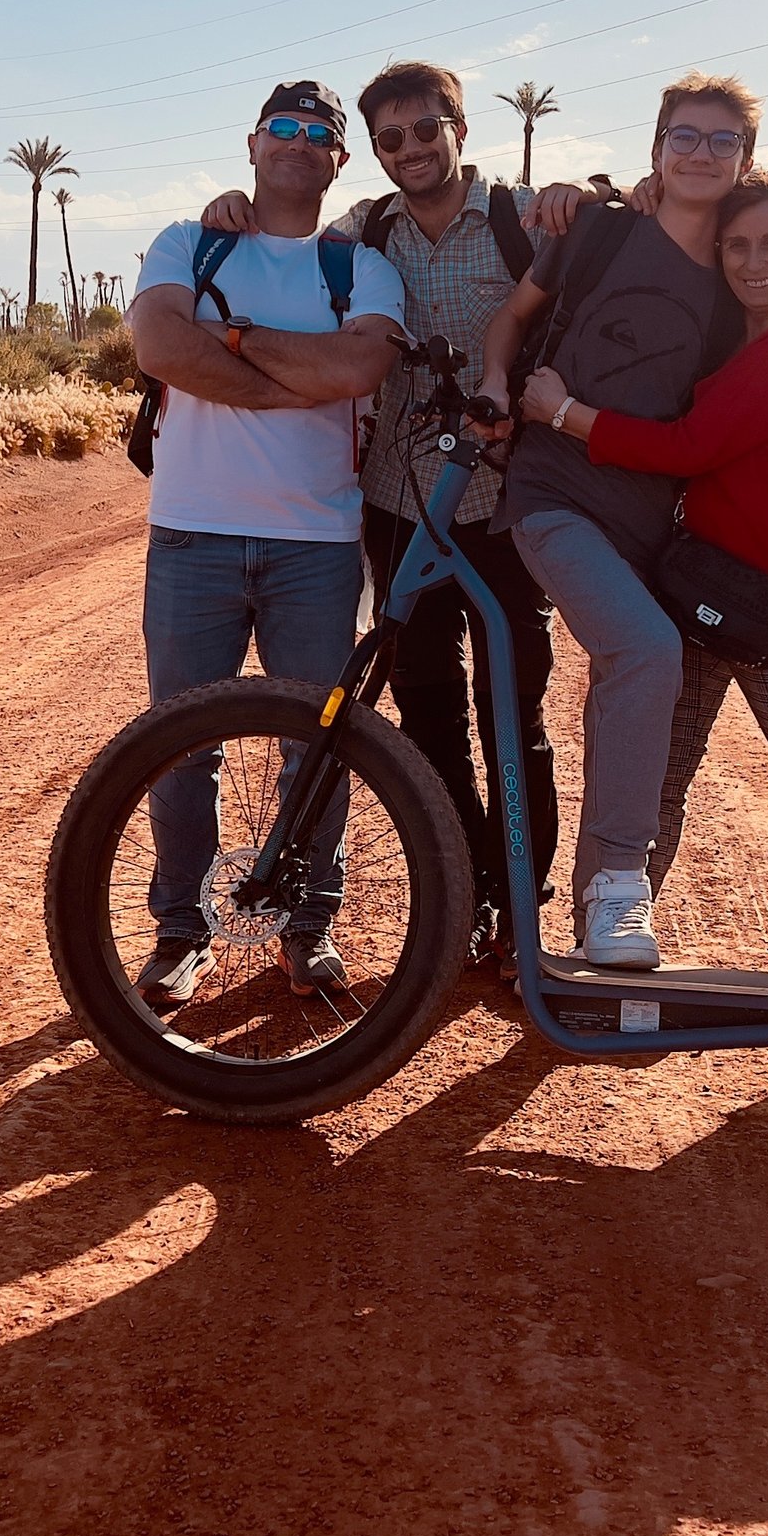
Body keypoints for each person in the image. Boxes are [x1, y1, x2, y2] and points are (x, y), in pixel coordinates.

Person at [199, 61, 576, 958]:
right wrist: (232, 210)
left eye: (425, 131)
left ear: (460, 131)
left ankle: (524, 909)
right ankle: (473, 900)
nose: (410, 150)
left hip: (505, 507)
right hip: (398, 507)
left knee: (512, 715)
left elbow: (603, 256)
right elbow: (280, 247)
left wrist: (585, 197)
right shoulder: (362, 235)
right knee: (428, 710)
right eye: (390, 139)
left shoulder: (526, 222)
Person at [518, 165, 768, 891]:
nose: (752, 262)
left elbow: (687, 447)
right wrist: (608, 191)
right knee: (655, 786)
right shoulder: (748, 331)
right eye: (736, 244)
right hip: (704, 591)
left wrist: (563, 414)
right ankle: (608, 949)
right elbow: (682, 186)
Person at [125, 79, 404, 1008]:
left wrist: (230, 338)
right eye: (280, 127)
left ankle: (306, 929)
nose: (297, 141)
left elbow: (361, 366)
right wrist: (296, 378)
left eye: (318, 131)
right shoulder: (189, 240)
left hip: (318, 545)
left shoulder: (359, 266)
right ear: (251, 143)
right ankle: (181, 932)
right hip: (194, 534)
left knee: (318, 750)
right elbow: (160, 346)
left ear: (339, 158)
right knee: (178, 748)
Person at [479, 73, 757, 967]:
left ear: (746, 159)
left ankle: (589, 925)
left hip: (649, 527)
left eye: (723, 141)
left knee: (624, 679)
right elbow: (510, 323)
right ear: (657, 150)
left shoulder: (740, 281)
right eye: (686, 136)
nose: (702, 153)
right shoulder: (596, 233)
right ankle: (617, 895)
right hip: (552, 495)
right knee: (644, 652)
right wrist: (495, 387)